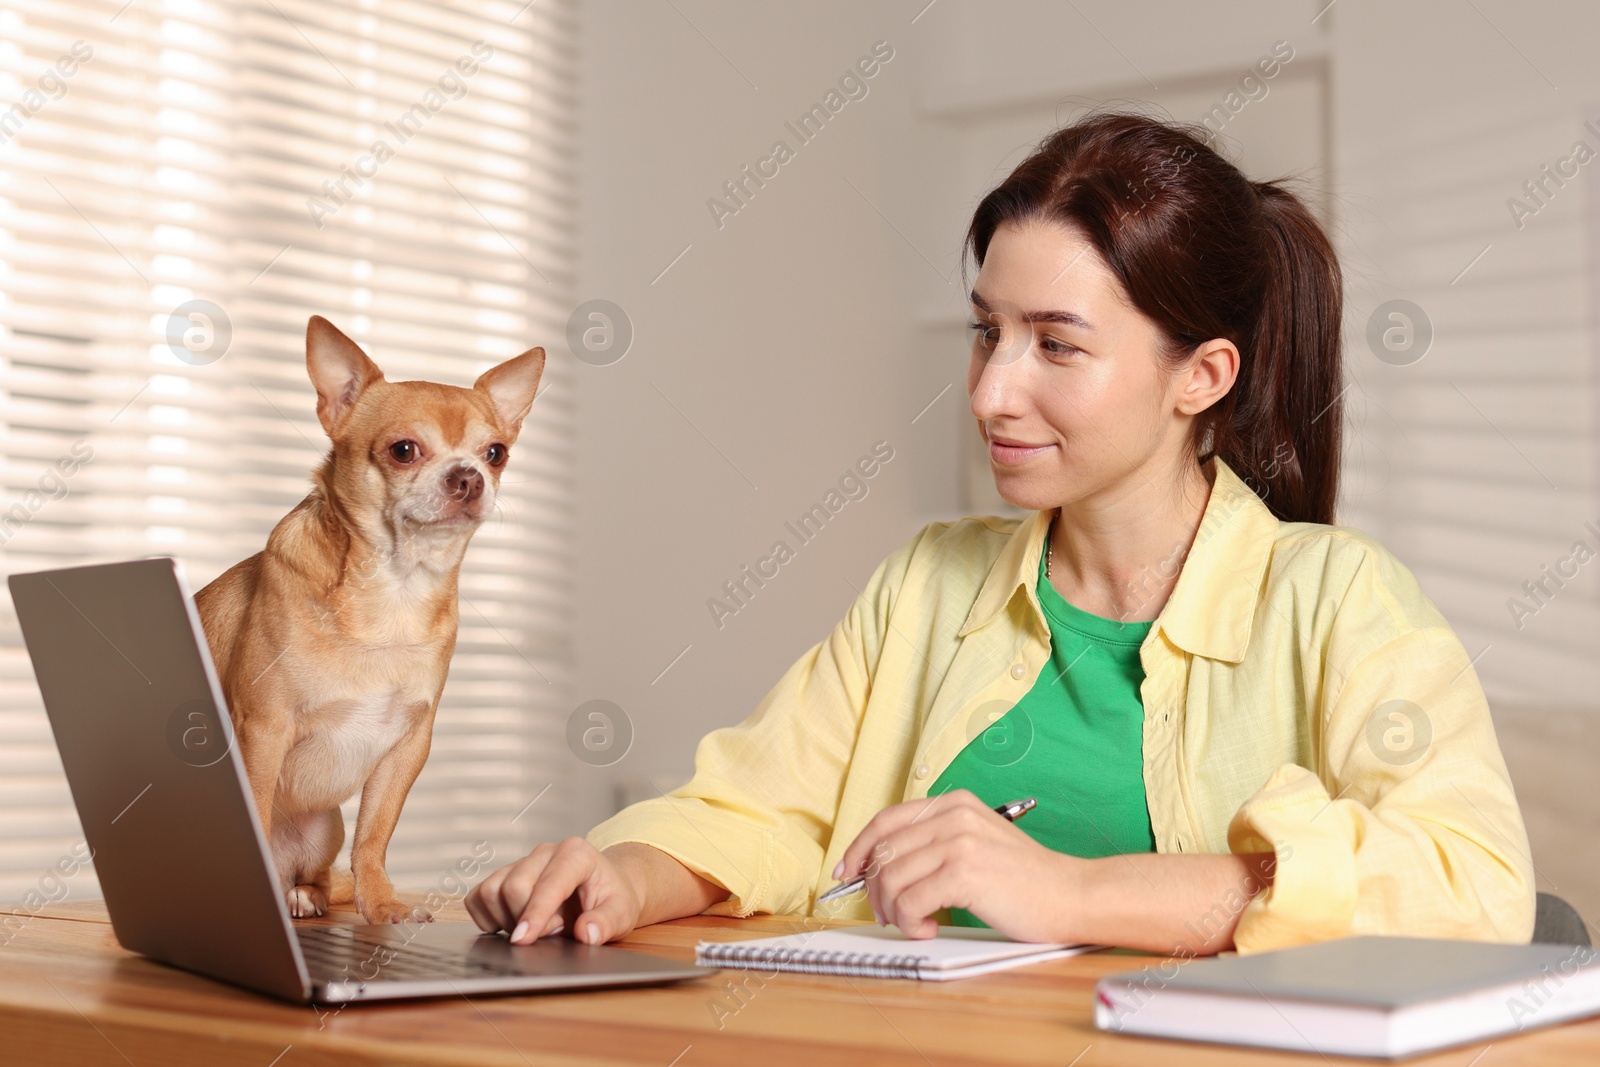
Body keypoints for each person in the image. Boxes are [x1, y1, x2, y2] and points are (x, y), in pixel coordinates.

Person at [465, 110, 1536, 956]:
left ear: (1201, 375)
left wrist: (1067, 888)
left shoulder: (1340, 600)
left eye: (1055, 346)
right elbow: (767, 808)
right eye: (987, 333)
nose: (989, 392)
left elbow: (1471, 882)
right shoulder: (927, 583)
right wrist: (625, 875)